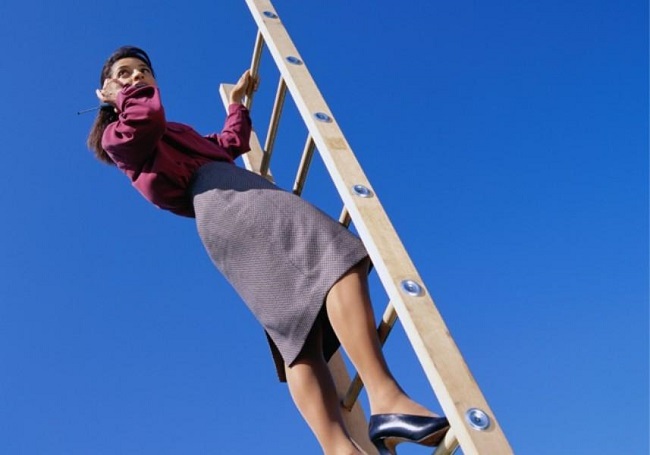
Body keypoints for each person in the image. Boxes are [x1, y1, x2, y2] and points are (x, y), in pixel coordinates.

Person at [87, 45, 449, 455]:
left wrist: (237, 104)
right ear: (103, 92)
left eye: (143, 71)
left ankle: (340, 450)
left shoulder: (171, 132)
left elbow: (228, 143)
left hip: (222, 212)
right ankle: (385, 398)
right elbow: (147, 116)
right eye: (124, 73)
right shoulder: (119, 134)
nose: (136, 78)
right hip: (229, 199)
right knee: (333, 252)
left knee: (292, 332)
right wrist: (130, 94)